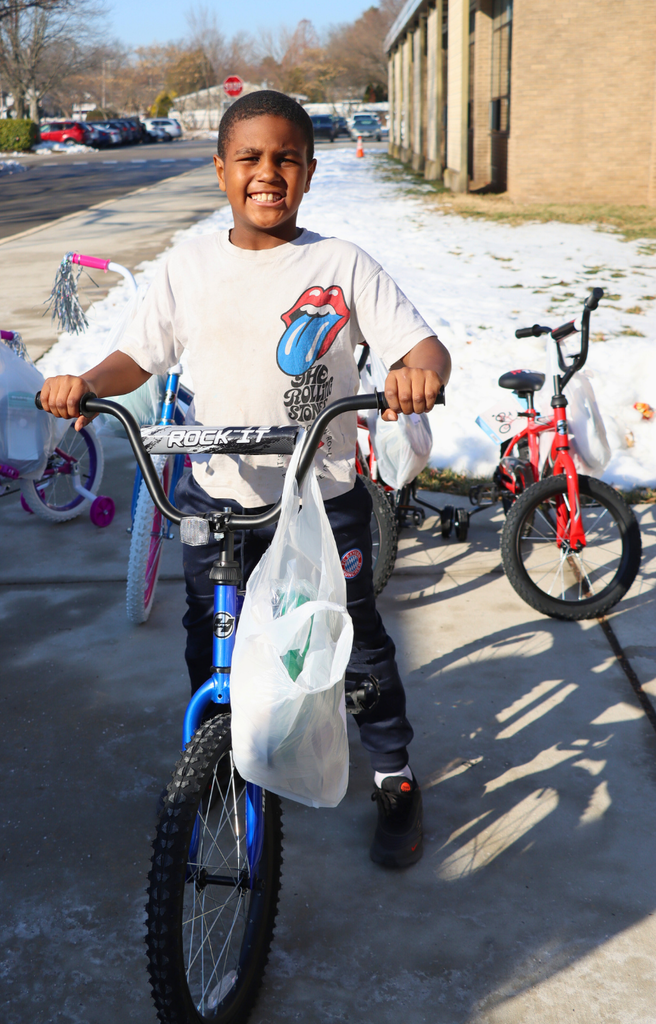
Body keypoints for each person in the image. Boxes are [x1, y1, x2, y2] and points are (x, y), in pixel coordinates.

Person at [40, 91, 451, 869]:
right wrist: (86, 382)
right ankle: (220, 757)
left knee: (350, 640)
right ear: (220, 170)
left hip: (319, 500)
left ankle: (393, 777)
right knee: (211, 637)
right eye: (251, 159)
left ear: (309, 170)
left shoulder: (340, 265)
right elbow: (140, 355)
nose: (269, 174)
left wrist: (415, 377)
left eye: (286, 159)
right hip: (214, 495)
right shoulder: (189, 265)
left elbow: (421, 348)